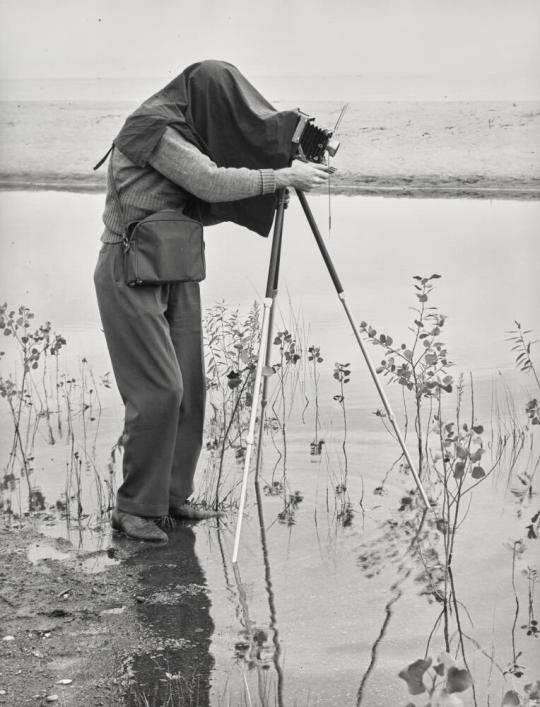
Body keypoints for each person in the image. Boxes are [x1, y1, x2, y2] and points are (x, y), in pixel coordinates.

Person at [94, 60, 329, 542]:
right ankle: (134, 509)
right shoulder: (154, 130)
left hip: (174, 266)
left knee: (191, 393)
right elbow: (211, 183)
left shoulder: (185, 127)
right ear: (203, 100)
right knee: (160, 392)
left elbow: (195, 204)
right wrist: (281, 177)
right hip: (129, 267)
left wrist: (285, 176)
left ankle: (172, 498)